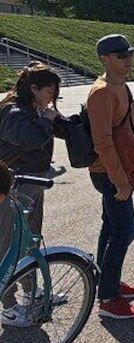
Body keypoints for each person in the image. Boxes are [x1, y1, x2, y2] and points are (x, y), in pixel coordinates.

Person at [86, 34, 134, 319]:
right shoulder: (101, 92)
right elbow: (103, 141)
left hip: (120, 168)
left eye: (129, 55)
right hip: (109, 172)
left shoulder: (120, 86)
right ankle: (108, 298)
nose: (129, 60)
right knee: (125, 229)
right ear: (104, 59)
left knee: (111, 227)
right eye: (122, 56)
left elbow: (129, 130)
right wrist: (120, 179)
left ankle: (105, 281)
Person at [0, 64, 63, 327]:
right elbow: (29, 138)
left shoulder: (32, 108)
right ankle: (9, 306)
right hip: (14, 187)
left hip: (32, 182)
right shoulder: (14, 110)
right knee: (7, 244)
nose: (53, 96)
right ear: (33, 88)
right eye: (50, 91)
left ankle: (29, 289)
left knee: (30, 238)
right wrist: (46, 120)